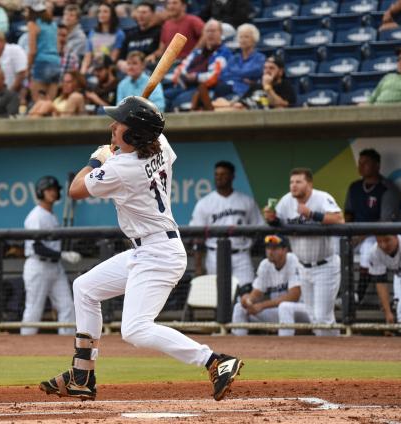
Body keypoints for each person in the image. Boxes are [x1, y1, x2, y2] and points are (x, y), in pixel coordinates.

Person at [38, 96, 243, 402]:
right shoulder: (160, 143)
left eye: (118, 123)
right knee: (84, 288)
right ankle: (82, 374)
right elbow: (153, 129)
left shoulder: (122, 168)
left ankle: (214, 360)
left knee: (134, 329)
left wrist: (98, 158)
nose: (112, 125)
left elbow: (75, 189)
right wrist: (122, 138)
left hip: (158, 254)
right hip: (147, 249)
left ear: (133, 135)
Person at [264, 168, 345, 336]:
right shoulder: (286, 201)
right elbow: (277, 222)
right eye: (291, 182)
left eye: (298, 182)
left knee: (323, 317)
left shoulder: (321, 198)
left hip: (325, 265)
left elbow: (339, 219)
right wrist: (271, 217)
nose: (294, 186)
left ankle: (335, 352)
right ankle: (332, 351)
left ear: (309, 184)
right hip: (302, 267)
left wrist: (312, 214)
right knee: (314, 317)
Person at [189, 160, 263, 293]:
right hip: (215, 256)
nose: (219, 177)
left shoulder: (246, 201)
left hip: (241, 256)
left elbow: (259, 228)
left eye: (223, 174)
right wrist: (198, 266)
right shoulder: (204, 203)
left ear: (232, 176)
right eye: (216, 174)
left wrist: (250, 243)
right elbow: (197, 238)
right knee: (219, 298)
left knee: (246, 295)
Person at [21, 175, 80, 336]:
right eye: (48, 190)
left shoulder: (51, 216)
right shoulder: (36, 216)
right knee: (34, 308)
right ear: (41, 192)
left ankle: (66, 343)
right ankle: (24, 346)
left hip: (54, 267)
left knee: (67, 306)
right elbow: (37, 247)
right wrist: (63, 254)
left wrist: (61, 255)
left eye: (54, 189)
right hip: (38, 266)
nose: (52, 193)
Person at [345, 148, 401, 304]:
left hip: (375, 237)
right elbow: (348, 213)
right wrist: (348, 233)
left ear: (377, 166)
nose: (361, 166)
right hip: (354, 234)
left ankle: (357, 295)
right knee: (335, 246)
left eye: (366, 163)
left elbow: (385, 223)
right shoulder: (354, 187)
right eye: (360, 163)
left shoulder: (387, 189)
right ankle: (338, 294)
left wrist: (360, 236)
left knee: (368, 249)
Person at [232, 234, 309, 337]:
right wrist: (248, 300)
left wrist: (261, 306)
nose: (270, 252)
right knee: (239, 307)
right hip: (278, 312)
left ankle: (286, 346)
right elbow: (257, 292)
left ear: (285, 249)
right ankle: (238, 345)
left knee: (285, 307)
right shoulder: (265, 264)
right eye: (268, 248)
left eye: (275, 248)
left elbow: (294, 296)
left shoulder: (293, 260)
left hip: (302, 310)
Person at [167, 18, 232, 111]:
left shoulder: (223, 53)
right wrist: (181, 75)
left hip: (205, 90)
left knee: (177, 101)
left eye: (213, 31)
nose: (210, 34)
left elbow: (213, 77)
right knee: (165, 96)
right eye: (207, 31)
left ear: (220, 33)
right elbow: (181, 67)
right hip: (186, 86)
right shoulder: (197, 52)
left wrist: (196, 77)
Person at [369, 234, 401, 336]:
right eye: (379, 241)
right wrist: (387, 313)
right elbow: (380, 282)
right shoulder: (375, 251)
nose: (383, 245)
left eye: (387, 240)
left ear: (396, 237)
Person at [213, 56, 295, 110]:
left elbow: (281, 106)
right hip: (242, 111)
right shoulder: (256, 86)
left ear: (280, 72)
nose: (267, 71)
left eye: (271, 68)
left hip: (259, 117)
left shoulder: (285, 85)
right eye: (265, 68)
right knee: (219, 101)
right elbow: (242, 101)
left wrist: (267, 87)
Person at [24, 0, 60, 102]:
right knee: (49, 103)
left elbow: (32, 51)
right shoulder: (53, 24)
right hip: (56, 63)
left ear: (31, 10)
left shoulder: (32, 24)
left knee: (39, 102)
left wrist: (27, 68)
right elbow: (58, 47)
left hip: (42, 63)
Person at [216, 23, 264, 98]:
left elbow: (253, 72)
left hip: (248, 92)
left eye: (246, 37)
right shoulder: (234, 58)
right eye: (240, 37)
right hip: (230, 89)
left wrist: (233, 74)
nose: (243, 40)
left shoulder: (260, 58)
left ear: (254, 39)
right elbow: (222, 76)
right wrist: (242, 78)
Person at [80, 1, 125, 75]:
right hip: (92, 67)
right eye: (99, 12)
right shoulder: (92, 33)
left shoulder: (119, 34)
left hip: (107, 69)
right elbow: (87, 57)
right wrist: (82, 72)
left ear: (112, 15)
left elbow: (113, 58)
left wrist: (98, 69)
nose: (101, 14)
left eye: (105, 12)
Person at [117, 1, 161, 74]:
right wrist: (122, 63)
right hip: (128, 71)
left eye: (144, 12)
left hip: (148, 71)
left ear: (153, 14)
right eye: (138, 12)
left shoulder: (159, 32)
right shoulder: (130, 34)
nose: (140, 15)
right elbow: (121, 58)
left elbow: (158, 53)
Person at [0, 29, 27, 93]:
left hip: (19, 92)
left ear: (1, 40)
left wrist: (9, 93)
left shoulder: (14, 50)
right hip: (3, 95)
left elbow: (22, 74)